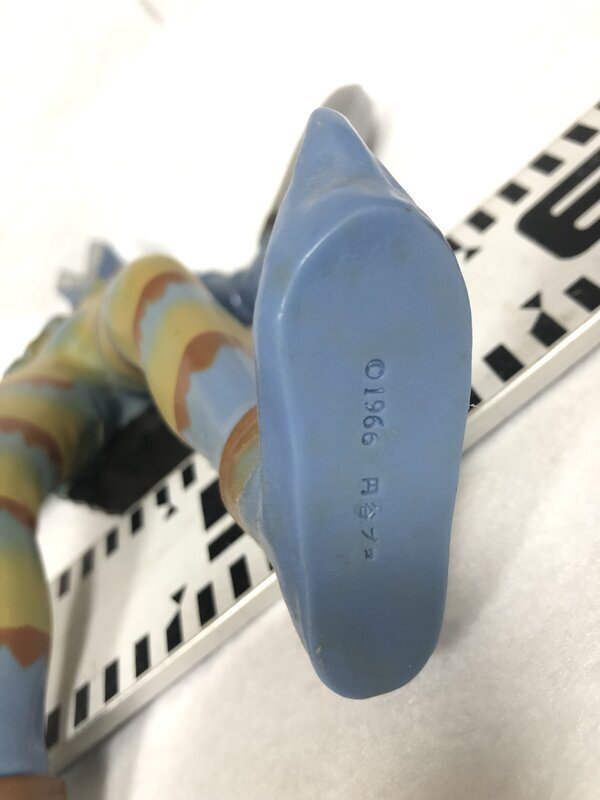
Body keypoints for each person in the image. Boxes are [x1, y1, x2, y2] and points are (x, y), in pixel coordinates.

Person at [0, 106, 471, 798]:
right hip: (64, 399)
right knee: (149, 290)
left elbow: (239, 294)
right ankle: (267, 480)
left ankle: (271, 482)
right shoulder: (57, 347)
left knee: (156, 292)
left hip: (113, 381)